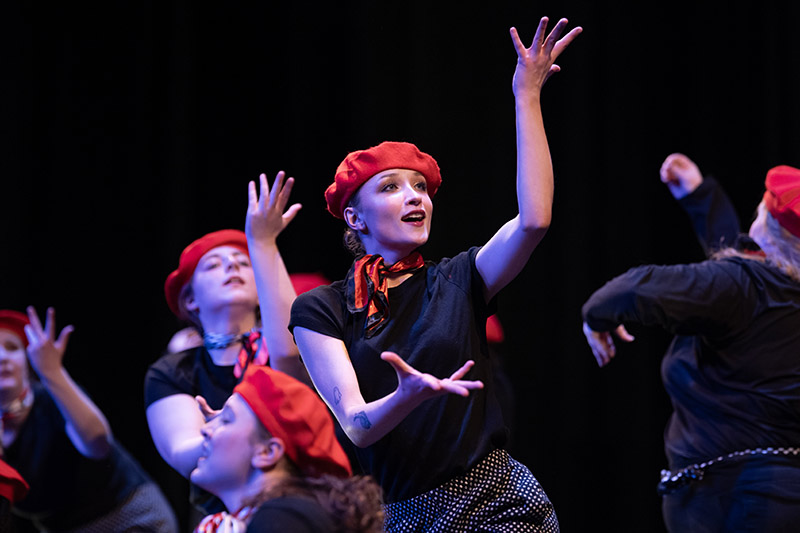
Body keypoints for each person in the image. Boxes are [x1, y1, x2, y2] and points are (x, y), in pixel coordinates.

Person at [289, 16, 581, 532]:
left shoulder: (460, 278)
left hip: (496, 500)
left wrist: (527, 95)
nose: (415, 197)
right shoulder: (322, 308)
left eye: (420, 187)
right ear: (354, 218)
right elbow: (356, 425)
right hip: (405, 516)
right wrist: (406, 396)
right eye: (392, 187)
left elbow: (534, 221)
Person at [581, 157, 800, 532]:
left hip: (732, 501)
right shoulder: (766, 287)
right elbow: (740, 273)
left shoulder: (743, 286)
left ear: (766, 224)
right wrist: (699, 195)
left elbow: (636, 288)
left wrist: (595, 315)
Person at [145, 172, 306, 517]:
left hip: (301, 504)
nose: (232, 265)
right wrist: (239, 427)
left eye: (244, 262)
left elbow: (292, 355)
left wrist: (264, 245)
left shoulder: (280, 348)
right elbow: (183, 453)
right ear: (190, 300)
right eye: (214, 265)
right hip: (223, 516)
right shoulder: (174, 370)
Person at [0, 307, 178, 532]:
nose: (2, 357)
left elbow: (98, 445)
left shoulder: (52, 397)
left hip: (131, 515)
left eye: (12, 348)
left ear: (26, 361)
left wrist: (52, 372)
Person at [190, 364, 384, 532]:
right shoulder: (282, 516)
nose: (205, 430)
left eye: (226, 420)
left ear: (267, 452)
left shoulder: (283, 519)